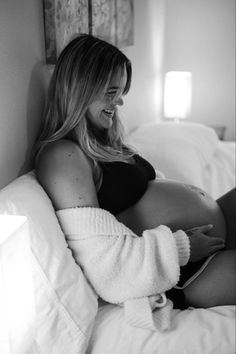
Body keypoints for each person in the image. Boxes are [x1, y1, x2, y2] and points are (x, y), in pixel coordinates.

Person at [32, 34, 235, 310]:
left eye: (121, 93)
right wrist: (183, 247)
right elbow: (103, 266)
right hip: (185, 271)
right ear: (81, 88)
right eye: (111, 91)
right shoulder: (62, 156)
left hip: (205, 239)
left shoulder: (102, 141)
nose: (120, 103)